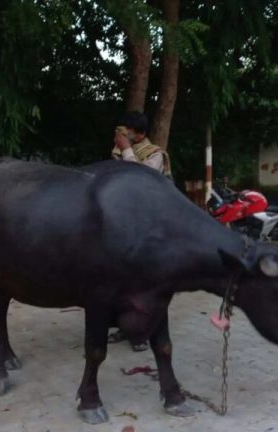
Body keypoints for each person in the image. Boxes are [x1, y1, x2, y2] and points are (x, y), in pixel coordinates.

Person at [108, 111, 171, 352]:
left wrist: (125, 150)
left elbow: (139, 181)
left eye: (126, 132)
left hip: (149, 230)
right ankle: (125, 327)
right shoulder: (118, 155)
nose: (122, 136)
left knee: (145, 285)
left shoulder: (155, 154)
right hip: (124, 228)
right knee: (122, 283)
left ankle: (144, 332)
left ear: (138, 133)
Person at [111, 111, 172, 179]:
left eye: (128, 133)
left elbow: (141, 176)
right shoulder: (119, 151)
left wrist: (126, 149)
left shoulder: (156, 154)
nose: (124, 136)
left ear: (141, 135)